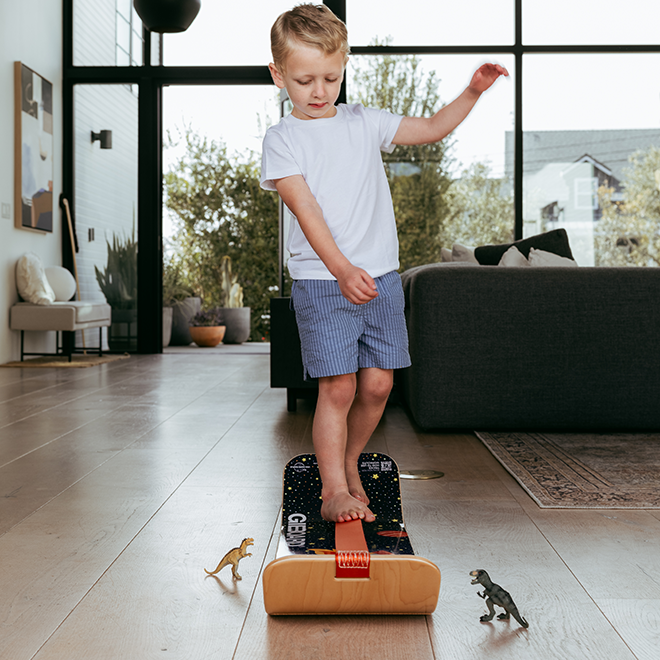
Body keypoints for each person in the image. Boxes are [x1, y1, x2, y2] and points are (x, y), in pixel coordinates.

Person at [261, 4, 508, 523]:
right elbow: (306, 213)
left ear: (345, 64)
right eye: (304, 80)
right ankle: (333, 491)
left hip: (381, 279)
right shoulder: (282, 139)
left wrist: (473, 92)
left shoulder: (364, 122)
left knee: (378, 385)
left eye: (331, 76)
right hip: (323, 281)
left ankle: (350, 462)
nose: (320, 90)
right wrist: (341, 269)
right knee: (339, 386)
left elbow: (434, 128)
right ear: (278, 75)